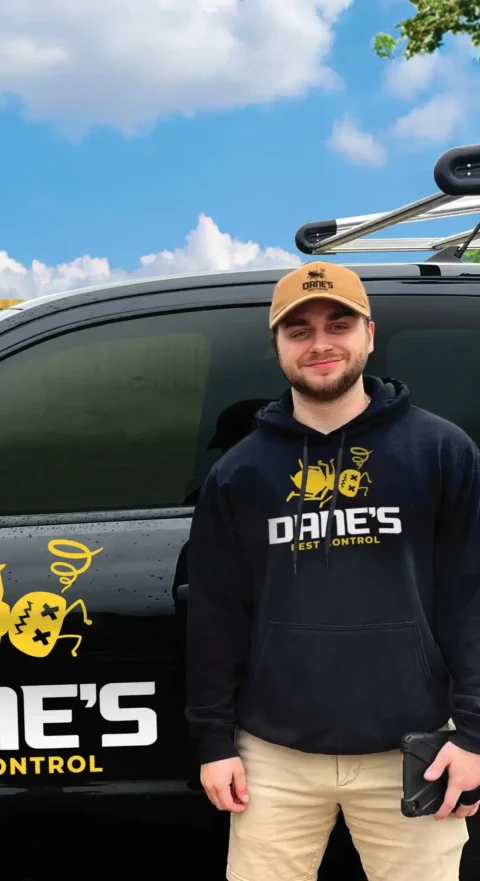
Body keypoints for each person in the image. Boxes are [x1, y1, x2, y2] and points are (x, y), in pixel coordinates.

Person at [185, 260, 480, 881]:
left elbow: (470, 597)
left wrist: (476, 733)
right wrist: (214, 743)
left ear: (369, 334)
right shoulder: (239, 474)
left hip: (415, 749)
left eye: (338, 324)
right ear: (278, 347)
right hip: (272, 758)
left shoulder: (442, 452)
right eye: (299, 331)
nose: (320, 344)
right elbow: (216, 615)